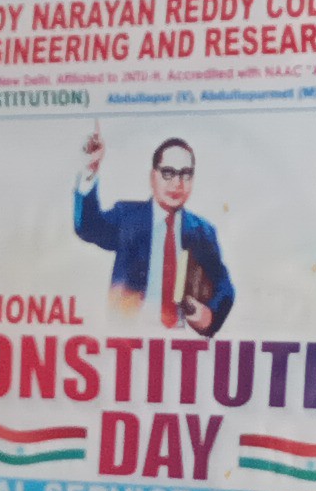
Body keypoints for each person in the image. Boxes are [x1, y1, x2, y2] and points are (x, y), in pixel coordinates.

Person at [71, 126, 234, 336]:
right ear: (152, 176)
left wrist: (208, 316)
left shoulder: (202, 231)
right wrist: (90, 169)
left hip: (181, 340)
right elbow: (87, 227)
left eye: (185, 174)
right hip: (127, 338)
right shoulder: (127, 217)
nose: (177, 183)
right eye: (168, 173)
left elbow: (224, 286)